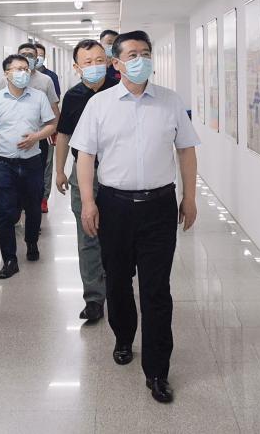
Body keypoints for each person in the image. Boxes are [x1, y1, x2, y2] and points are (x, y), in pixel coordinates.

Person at [70, 30, 200, 404]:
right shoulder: (100, 105)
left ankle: (157, 370)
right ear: (117, 63)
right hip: (115, 205)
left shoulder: (170, 102)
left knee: (157, 289)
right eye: (132, 54)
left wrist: (190, 197)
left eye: (145, 53)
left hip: (160, 205)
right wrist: (89, 202)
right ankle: (124, 336)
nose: (140, 59)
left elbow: (186, 151)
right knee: (117, 280)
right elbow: (85, 156)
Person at [0, 54, 57, 279]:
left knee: (33, 208)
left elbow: (51, 125)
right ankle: (9, 259)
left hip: (32, 162)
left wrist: (36, 137)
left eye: (25, 69)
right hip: (4, 164)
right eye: (17, 69)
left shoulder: (39, 97)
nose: (23, 73)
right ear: (6, 73)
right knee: (4, 212)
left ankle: (31, 241)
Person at [54, 39, 117, 323]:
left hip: (117, 176)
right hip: (83, 176)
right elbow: (63, 135)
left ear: (109, 61)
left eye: (99, 60)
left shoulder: (119, 90)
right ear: (77, 67)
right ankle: (93, 298)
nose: (94, 66)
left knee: (115, 237)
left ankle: (116, 288)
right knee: (88, 236)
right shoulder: (73, 97)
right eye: (88, 62)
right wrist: (59, 170)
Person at [17, 43, 61, 215]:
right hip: (17, 135)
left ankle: (39, 201)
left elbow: (54, 108)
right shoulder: (10, 79)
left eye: (31, 55)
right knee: (19, 172)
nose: (27, 58)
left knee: (41, 171)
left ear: (36, 59)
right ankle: (20, 203)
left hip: (42, 135)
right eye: (23, 54)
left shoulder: (46, 80)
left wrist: (55, 130)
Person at [34, 42, 61, 212]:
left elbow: (55, 102)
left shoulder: (50, 77)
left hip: (46, 128)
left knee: (46, 164)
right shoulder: (18, 76)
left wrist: (55, 128)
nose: (36, 58)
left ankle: (44, 198)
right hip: (27, 130)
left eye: (39, 55)